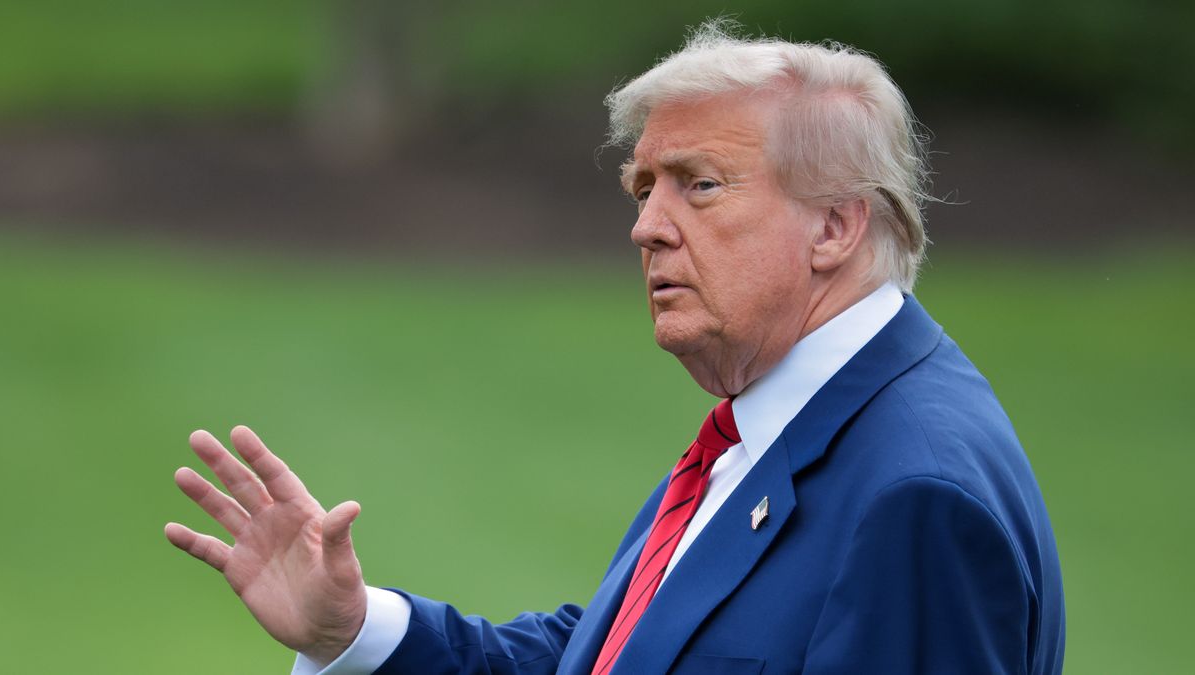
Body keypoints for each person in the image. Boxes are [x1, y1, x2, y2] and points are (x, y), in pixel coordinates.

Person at [166, 21, 1065, 674]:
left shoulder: (914, 497)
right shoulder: (779, 422)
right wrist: (356, 631)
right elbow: (620, 652)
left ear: (834, 225)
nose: (646, 227)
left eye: (698, 185)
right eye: (643, 188)